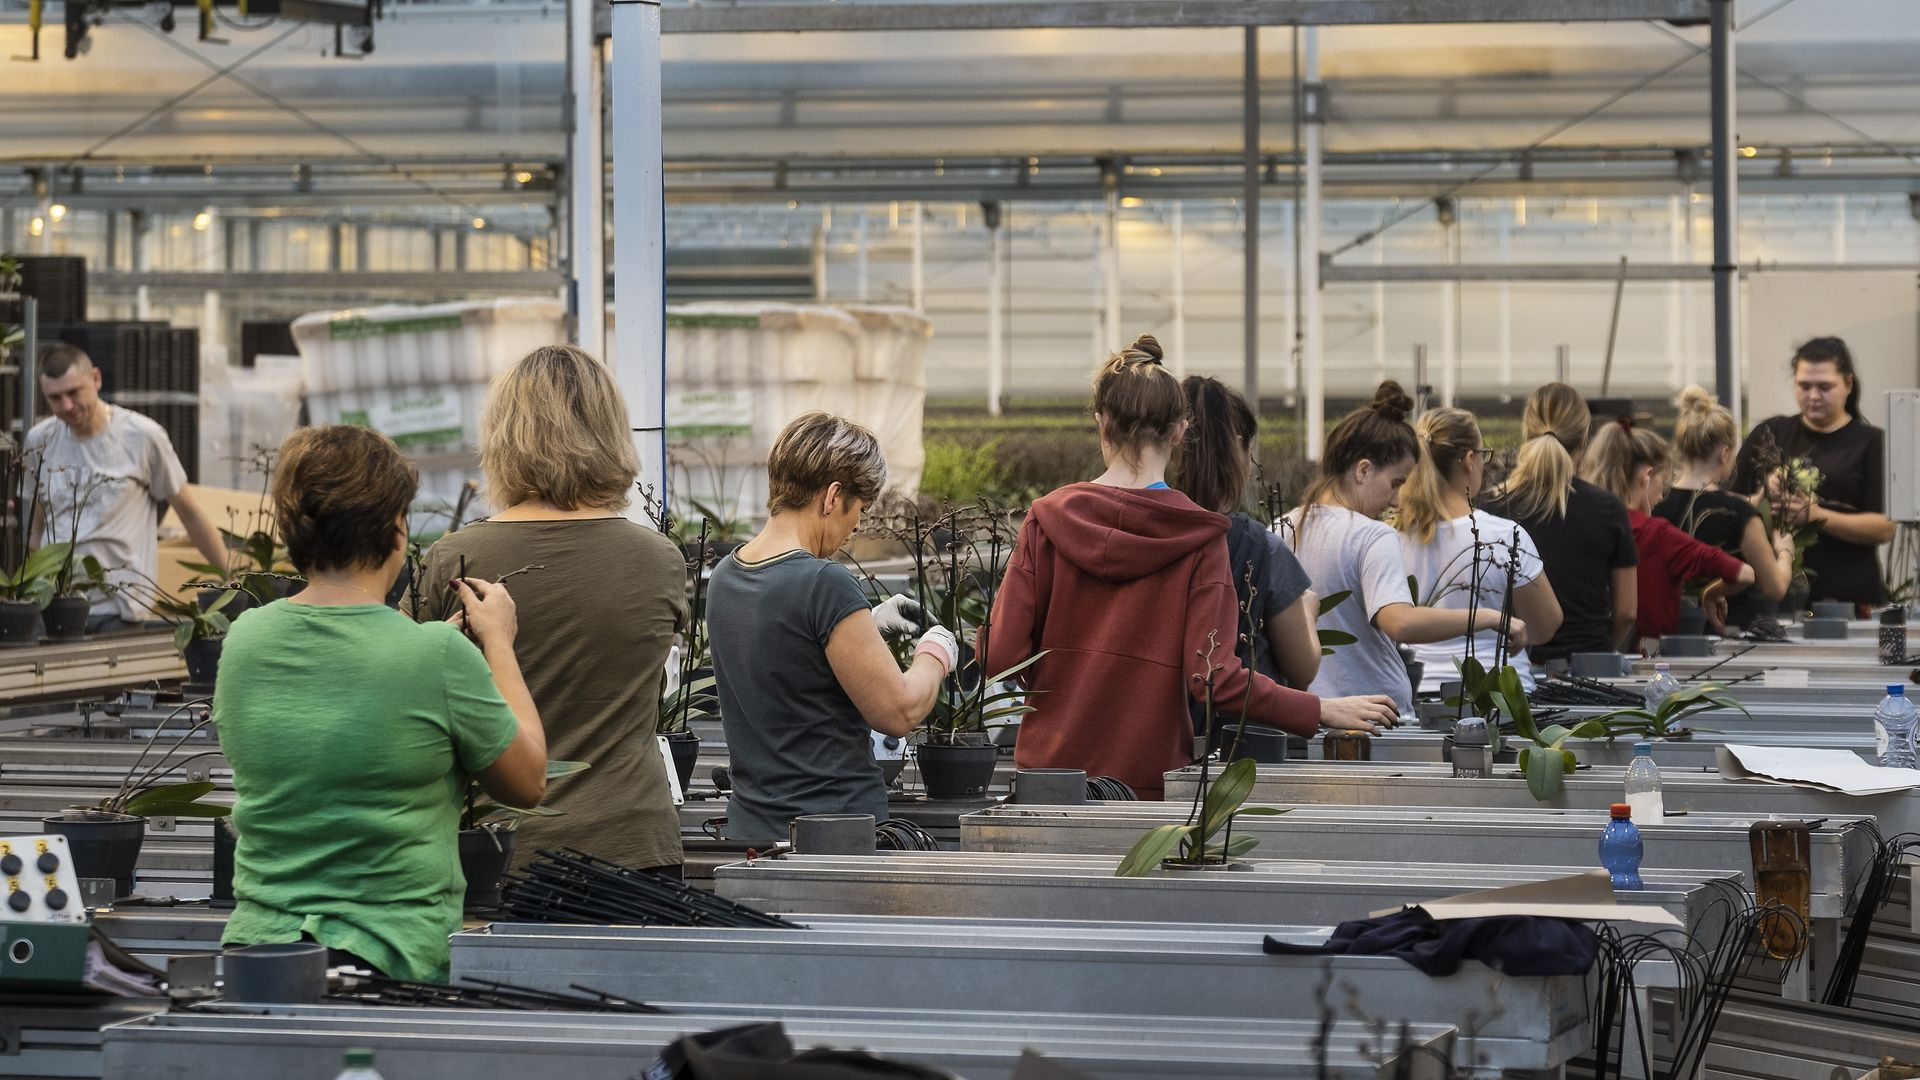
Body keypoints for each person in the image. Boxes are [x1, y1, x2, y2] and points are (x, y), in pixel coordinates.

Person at [983, 336, 1396, 799]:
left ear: (1102, 424)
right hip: (1144, 785)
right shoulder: (1201, 539)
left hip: (1047, 775)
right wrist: (1318, 709)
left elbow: (1000, 658)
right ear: (1180, 430)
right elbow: (1215, 678)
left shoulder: (1045, 520)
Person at [216, 425, 547, 983]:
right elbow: (528, 781)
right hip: (386, 963)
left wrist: (418, 653)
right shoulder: (437, 654)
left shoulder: (244, 640)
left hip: (257, 955)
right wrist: (497, 645)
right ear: (397, 531)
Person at [413, 345, 688, 875]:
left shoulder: (456, 560)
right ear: (612, 433)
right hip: (632, 844)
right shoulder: (659, 560)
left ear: (502, 435)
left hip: (497, 847)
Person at [705, 411, 958, 844]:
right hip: (835, 835)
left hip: (751, 832)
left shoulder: (726, 577)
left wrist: (862, 626)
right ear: (832, 496)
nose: (857, 525)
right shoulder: (824, 583)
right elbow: (898, 712)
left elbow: (786, 662)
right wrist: (935, 653)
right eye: (858, 509)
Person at [1283, 382, 1524, 717]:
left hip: (1311, 714)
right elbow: (1401, 622)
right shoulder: (1370, 535)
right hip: (1375, 718)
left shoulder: (1281, 529)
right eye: (1396, 483)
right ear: (1363, 470)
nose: (1397, 500)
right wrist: (1489, 617)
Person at [27, 343, 228, 632]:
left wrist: (229, 577)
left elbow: (190, 513)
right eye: (55, 398)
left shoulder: (141, 437)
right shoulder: (40, 441)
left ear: (96, 379)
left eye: (73, 393)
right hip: (54, 605)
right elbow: (36, 525)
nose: (67, 406)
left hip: (117, 609)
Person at [1394, 407, 1562, 692]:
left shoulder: (1391, 537)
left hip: (1414, 690)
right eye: (1484, 454)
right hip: (1497, 694)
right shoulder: (1504, 536)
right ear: (1469, 460)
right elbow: (1544, 626)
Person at [1170, 375, 1320, 691]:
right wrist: (1307, 609)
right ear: (1237, 447)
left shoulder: (1139, 532)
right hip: (1240, 730)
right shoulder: (1259, 547)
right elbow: (1302, 668)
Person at [1731, 337, 1895, 611]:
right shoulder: (1770, 434)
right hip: (1771, 599)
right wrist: (1762, 496)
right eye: (1804, 386)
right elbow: (1731, 506)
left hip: (1848, 600)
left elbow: (1884, 527)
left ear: (1848, 384)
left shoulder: (1872, 443)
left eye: (1825, 387)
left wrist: (1816, 516)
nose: (1814, 396)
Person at [1481, 383, 1638, 660]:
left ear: (1526, 433)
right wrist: (1601, 651)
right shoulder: (1608, 509)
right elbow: (1627, 611)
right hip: (1590, 667)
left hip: (1510, 669)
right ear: (1584, 439)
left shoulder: (1492, 507)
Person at [1583, 421, 1752, 648]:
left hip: (1580, 660)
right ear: (1647, 476)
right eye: (1663, 483)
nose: (1661, 496)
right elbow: (1745, 574)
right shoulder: (1657, 534)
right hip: (1647, 666)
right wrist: (1711, 593)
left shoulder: (1586, 523)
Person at [1656, 386, 1795, 627]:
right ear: (1725, 453)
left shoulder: (1656, 504)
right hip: (1729, 631)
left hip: (1666, 628)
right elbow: (1776, 587)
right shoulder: (1737, 513)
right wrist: (1785, 552)